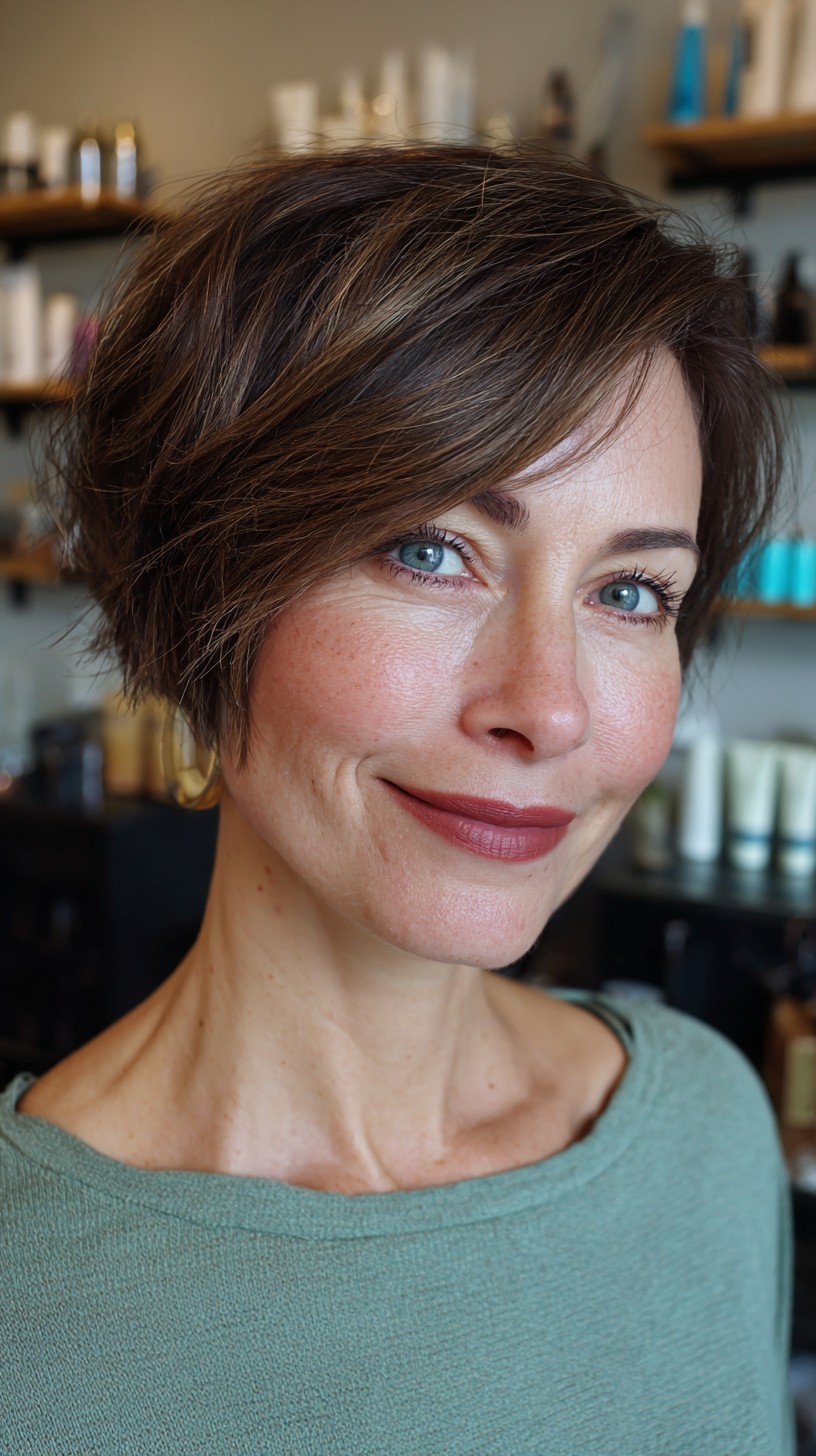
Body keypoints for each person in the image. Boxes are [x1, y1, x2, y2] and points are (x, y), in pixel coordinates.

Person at [0, 145, 794, 1453]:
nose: (549, 707)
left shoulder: (705, 1135)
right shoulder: (29, 1304)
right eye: (431, 551)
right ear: (203, 598)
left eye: (629, 592)